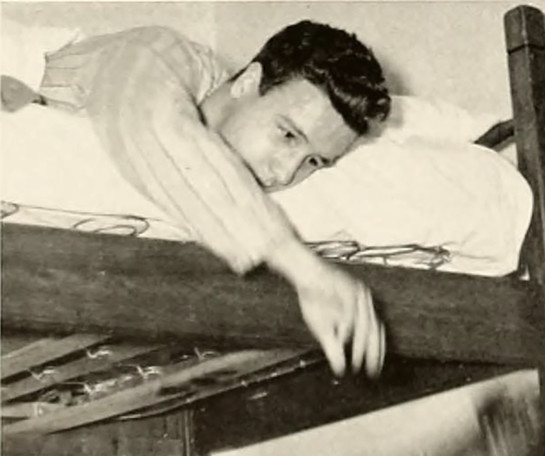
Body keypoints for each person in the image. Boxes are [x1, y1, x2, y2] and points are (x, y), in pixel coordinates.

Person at [36, 20, 390, 378]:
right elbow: (163, 131)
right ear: (248, 82)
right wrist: (301, 266)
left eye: (313, 162)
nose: (285, 174)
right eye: (287, 135)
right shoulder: (157, 51)